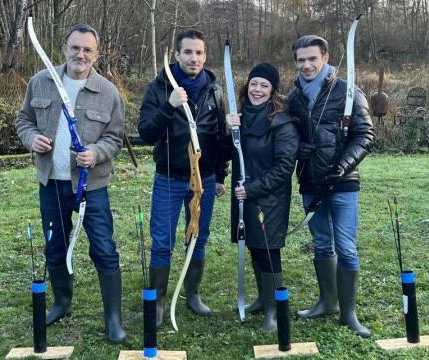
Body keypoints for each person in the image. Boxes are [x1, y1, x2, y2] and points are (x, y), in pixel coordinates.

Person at [15, 24, 126, 343]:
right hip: (51, 184)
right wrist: (31, 137)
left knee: (104, 249)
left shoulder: (108, 92)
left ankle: (113, 319)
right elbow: (23, 119)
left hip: (92, 188)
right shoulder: (41, 82)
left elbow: (114, 138)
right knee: (54, 248)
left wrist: (95, 152)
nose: (81, 54)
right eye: (75, 48)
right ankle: (62, 303)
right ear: (64, 48)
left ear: (96, 54)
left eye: (87, 50)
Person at [138, 29, 229, 328]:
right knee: (162, 240)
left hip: (204, 180)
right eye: (188, 52)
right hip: (169, 177)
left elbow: (219, 137)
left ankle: (192, 294)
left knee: (198, 237)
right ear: (177, 55)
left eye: (199, 53)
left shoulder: (214, 90)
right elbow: (146, 133)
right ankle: (161, 300)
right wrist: (170, 105)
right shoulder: (158, 89)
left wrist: (220, 176)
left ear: (205, 55)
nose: (194, 58)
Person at [288, 35, 375, 338]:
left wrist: (343, 166)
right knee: (322, 244)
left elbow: (365, 135)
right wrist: (298, 149)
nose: (307, 65)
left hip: (343, 184)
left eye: (312, 58)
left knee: (346, 248)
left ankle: (348, 313)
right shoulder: (294, 96)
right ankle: (327, 303)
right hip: (311, 183)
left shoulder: (348, 92)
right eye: (301, 60)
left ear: (325, 58)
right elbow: (287, 135)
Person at [225, 63, 298, 332]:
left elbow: (284, 168)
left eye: (264, 85)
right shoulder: (241, 118)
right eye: (254, 84)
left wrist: (253, 189)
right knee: (255, 247)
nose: (257, 90)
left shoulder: (282, 122)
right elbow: (229, 152)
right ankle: (262, 299)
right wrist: (227, 127)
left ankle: (275, 311)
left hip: (269, 198)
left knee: (268, 251)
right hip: (245, 195)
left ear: (273, 91)